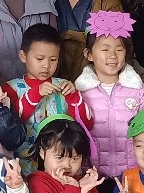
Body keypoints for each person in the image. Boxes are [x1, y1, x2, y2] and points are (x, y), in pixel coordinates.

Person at [76, 10, 144, 179]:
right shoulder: (79, 92)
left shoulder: (137, 89)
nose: (112, 56)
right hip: (91, 175)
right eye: (105, 49)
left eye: (119, 49)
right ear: (89, 54)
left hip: (132, 173)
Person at [6, 24, 89, 171]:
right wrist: (34, 95)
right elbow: (10, 125)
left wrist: (74, 97)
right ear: (23, 56)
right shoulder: (11, 88)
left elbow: (87, 123)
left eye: (53, 59)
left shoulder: (64, 86)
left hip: (63, 166)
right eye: (40, 59)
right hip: (25, 167)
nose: (46, 65)